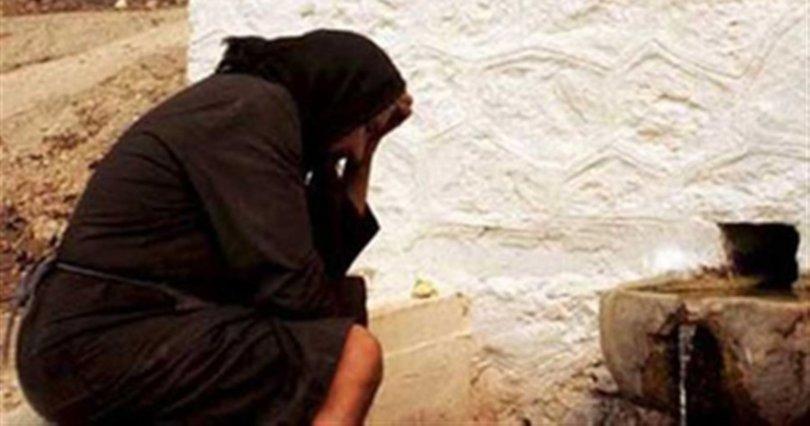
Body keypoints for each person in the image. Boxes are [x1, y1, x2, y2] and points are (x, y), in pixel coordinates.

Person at [14, 29, 413, 425]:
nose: (356, 148)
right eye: (364, 128)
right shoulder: (249, 114)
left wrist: (367, 152)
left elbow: (321, 267)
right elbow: (298, 293)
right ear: (338, 98)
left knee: (335, 324)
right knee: (353, 356)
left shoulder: (259, 112)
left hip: (115, 342)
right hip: (93, 348)